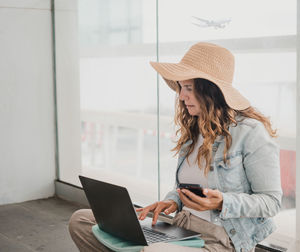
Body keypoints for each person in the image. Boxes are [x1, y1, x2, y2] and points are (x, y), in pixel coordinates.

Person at [69, 42, 282, 252]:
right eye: (181, 87)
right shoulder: (195, 128)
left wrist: (221, 202)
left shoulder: (251, 132)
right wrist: (172, 201)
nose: (181, 96)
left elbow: (271, 202)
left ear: (211, 91)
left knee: (153, 251)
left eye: (188, 88)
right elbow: (190, 188)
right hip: (182, 229)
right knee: (82, 221)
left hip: (220, 240)